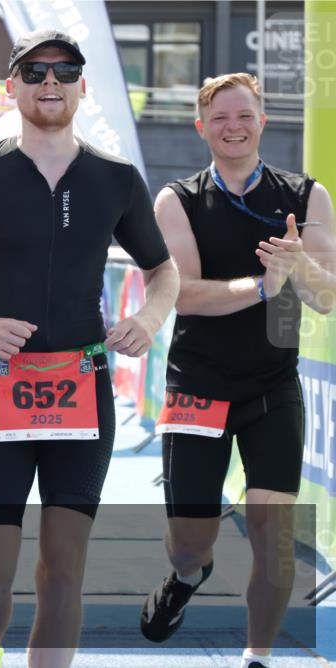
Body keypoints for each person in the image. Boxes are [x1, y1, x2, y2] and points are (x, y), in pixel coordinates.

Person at [0, 29, 179, 668]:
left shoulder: (114, 178)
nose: (50, 81)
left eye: (64, 71)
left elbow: (163, 270)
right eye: (35, 71)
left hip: (82, 393)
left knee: (62, 572)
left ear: (83, 83)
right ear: (12, 84)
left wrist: (151, 317)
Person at [139, 73, 336, 668]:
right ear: (202, 128)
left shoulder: (308, 195)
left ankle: (258, 656)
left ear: (262, 121)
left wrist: (300, 267)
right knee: (190, 546)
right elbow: (187, 294)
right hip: (196, 385)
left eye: (243, 114)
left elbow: (326, 296)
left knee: (274, 540)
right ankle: (186, 578)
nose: (233, 126)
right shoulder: (177, 198)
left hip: (272, 386)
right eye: (220, 117)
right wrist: (263, 285)